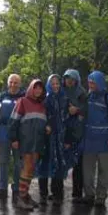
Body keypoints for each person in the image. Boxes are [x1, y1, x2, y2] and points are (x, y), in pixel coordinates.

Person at [9, 79, 49, 210]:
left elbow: (43, 123)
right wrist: (13, 138)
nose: (38, 91)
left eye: (40, 88)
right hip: (26, 142)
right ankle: (20, 197)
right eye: (35, 88)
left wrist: (47, 127)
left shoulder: (43, 105)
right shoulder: (23, 101)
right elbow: (13, 120)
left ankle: (25, 195)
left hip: (38, 143)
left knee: (31, 170)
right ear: (31, 88)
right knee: (26, 169)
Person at [37, 75, 77, 206]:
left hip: (61, 137)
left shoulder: (65, 99)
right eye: (53, 84)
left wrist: (68, 139)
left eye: (57, 84)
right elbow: (40, 117)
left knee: (59, 164)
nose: (55, 86)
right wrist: (46, 126)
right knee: (44, 163)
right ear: (49, 85)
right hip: (47, 137)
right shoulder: (44, 100)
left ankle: (57, 192)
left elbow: (70, 120)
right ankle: (43, 193)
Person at [82, 71, 108, 207]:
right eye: (89, 81)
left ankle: (101, 197)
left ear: (99, 82)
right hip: (89, 140)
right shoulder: (88, 96)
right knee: (87, 171)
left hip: (104, 140)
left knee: (104, 170)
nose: (90, 84)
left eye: (93, 82)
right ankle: (89, 195)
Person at [0, 74, 25, 202]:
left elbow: (25, 117)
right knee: (3, 163)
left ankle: (16, 187)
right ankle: (2, 188)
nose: (13, 84)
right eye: (11, 82)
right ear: (8, 83)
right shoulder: (2, 97)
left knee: (19, 164)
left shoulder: (24, 98)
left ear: (20, 83)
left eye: (16, 82)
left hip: (19, 136)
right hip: (4, 135)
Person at [62, 69, 87, 203]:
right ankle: (57, 192)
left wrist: (77, 110)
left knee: (78, 165)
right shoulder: (61, 92)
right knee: (60, 163)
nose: (69, 81)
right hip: (63, 133)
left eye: (71, 79)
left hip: (78, 133)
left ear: (76, 80)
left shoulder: (82, 94)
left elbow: (88, 111)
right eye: (67, 78)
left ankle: (77, 193)